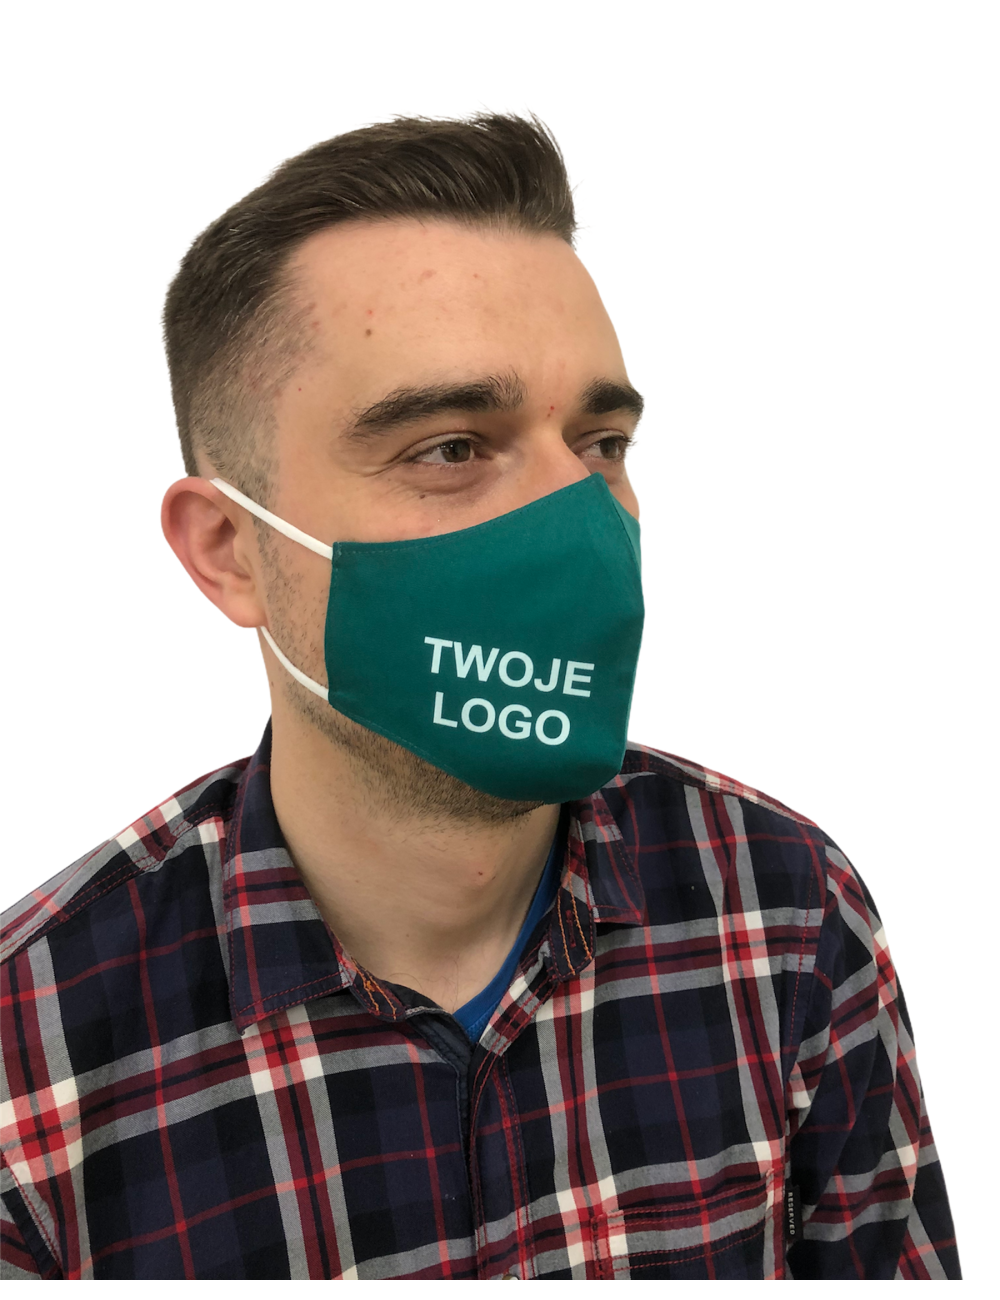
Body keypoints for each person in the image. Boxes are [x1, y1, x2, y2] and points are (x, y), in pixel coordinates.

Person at [0, 114, 959, 1281]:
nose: (578, 521)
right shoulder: (30, 1063)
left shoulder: (784, 914)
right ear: (229, 549)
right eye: (452, 447)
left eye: (600, 443)